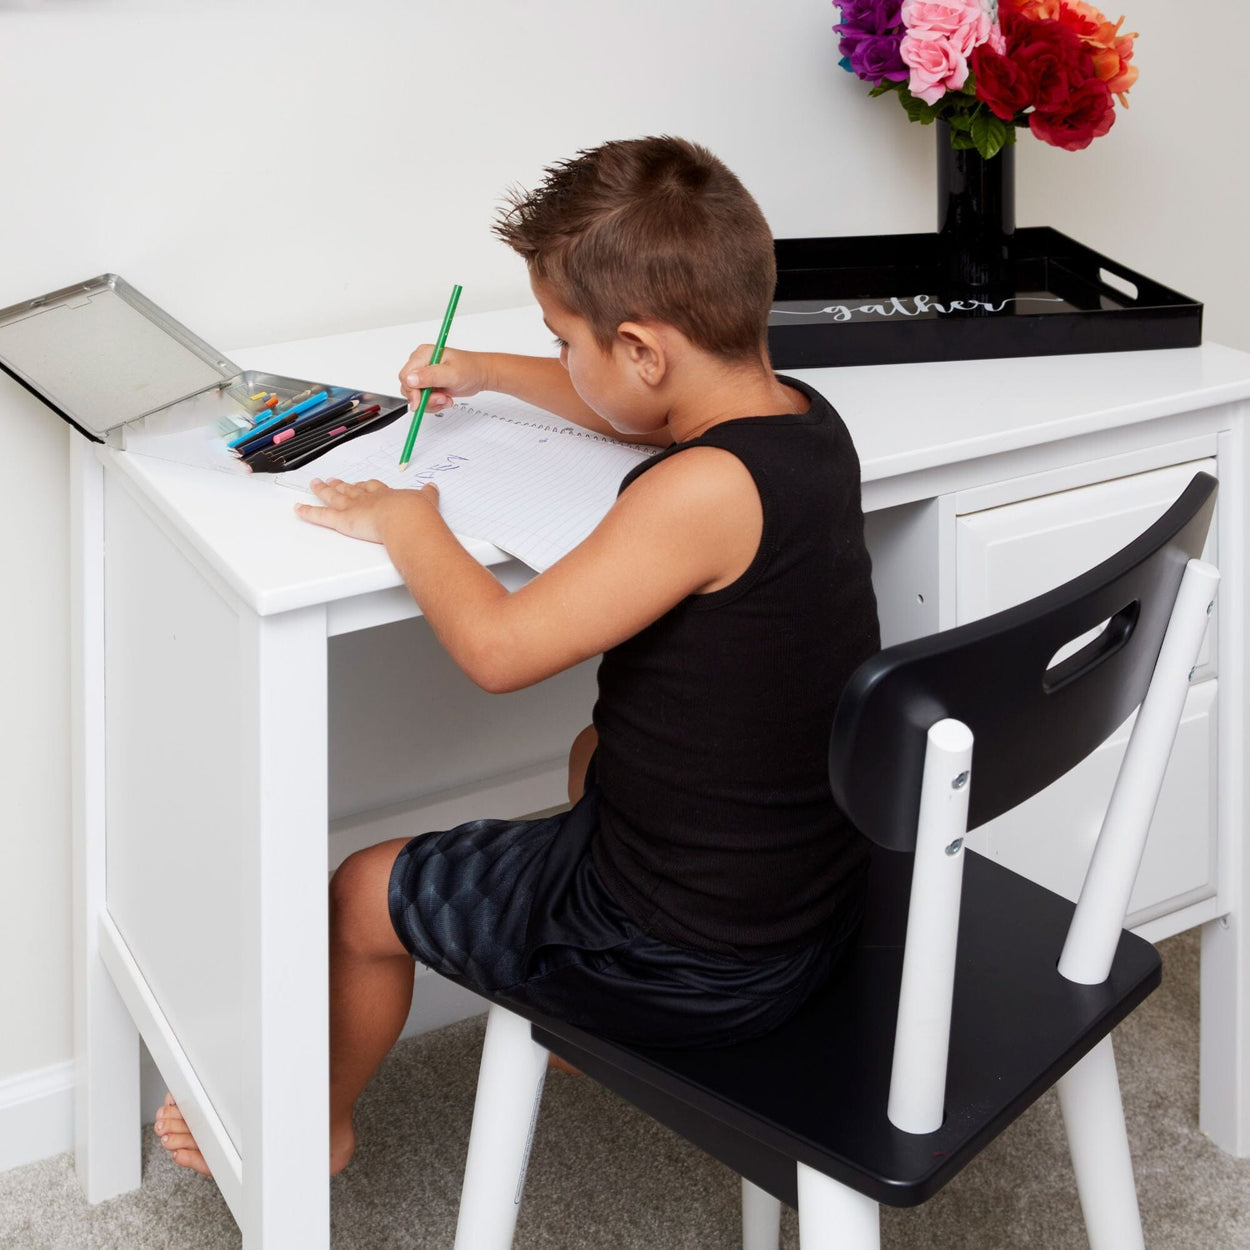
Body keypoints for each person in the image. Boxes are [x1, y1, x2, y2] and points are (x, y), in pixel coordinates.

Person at [154, 135, 880, 1177]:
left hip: (694, 959)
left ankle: (314, 1123)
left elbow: (498, 649)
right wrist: (488, 371)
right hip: (806, 903)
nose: (563, 361)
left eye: (561, 339)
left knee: (364, 890)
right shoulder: (803, 419)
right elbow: (631, 403)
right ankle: (589, 1022)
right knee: (596, 747)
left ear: (639, 349)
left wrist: (411, 525)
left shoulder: (697, 492)